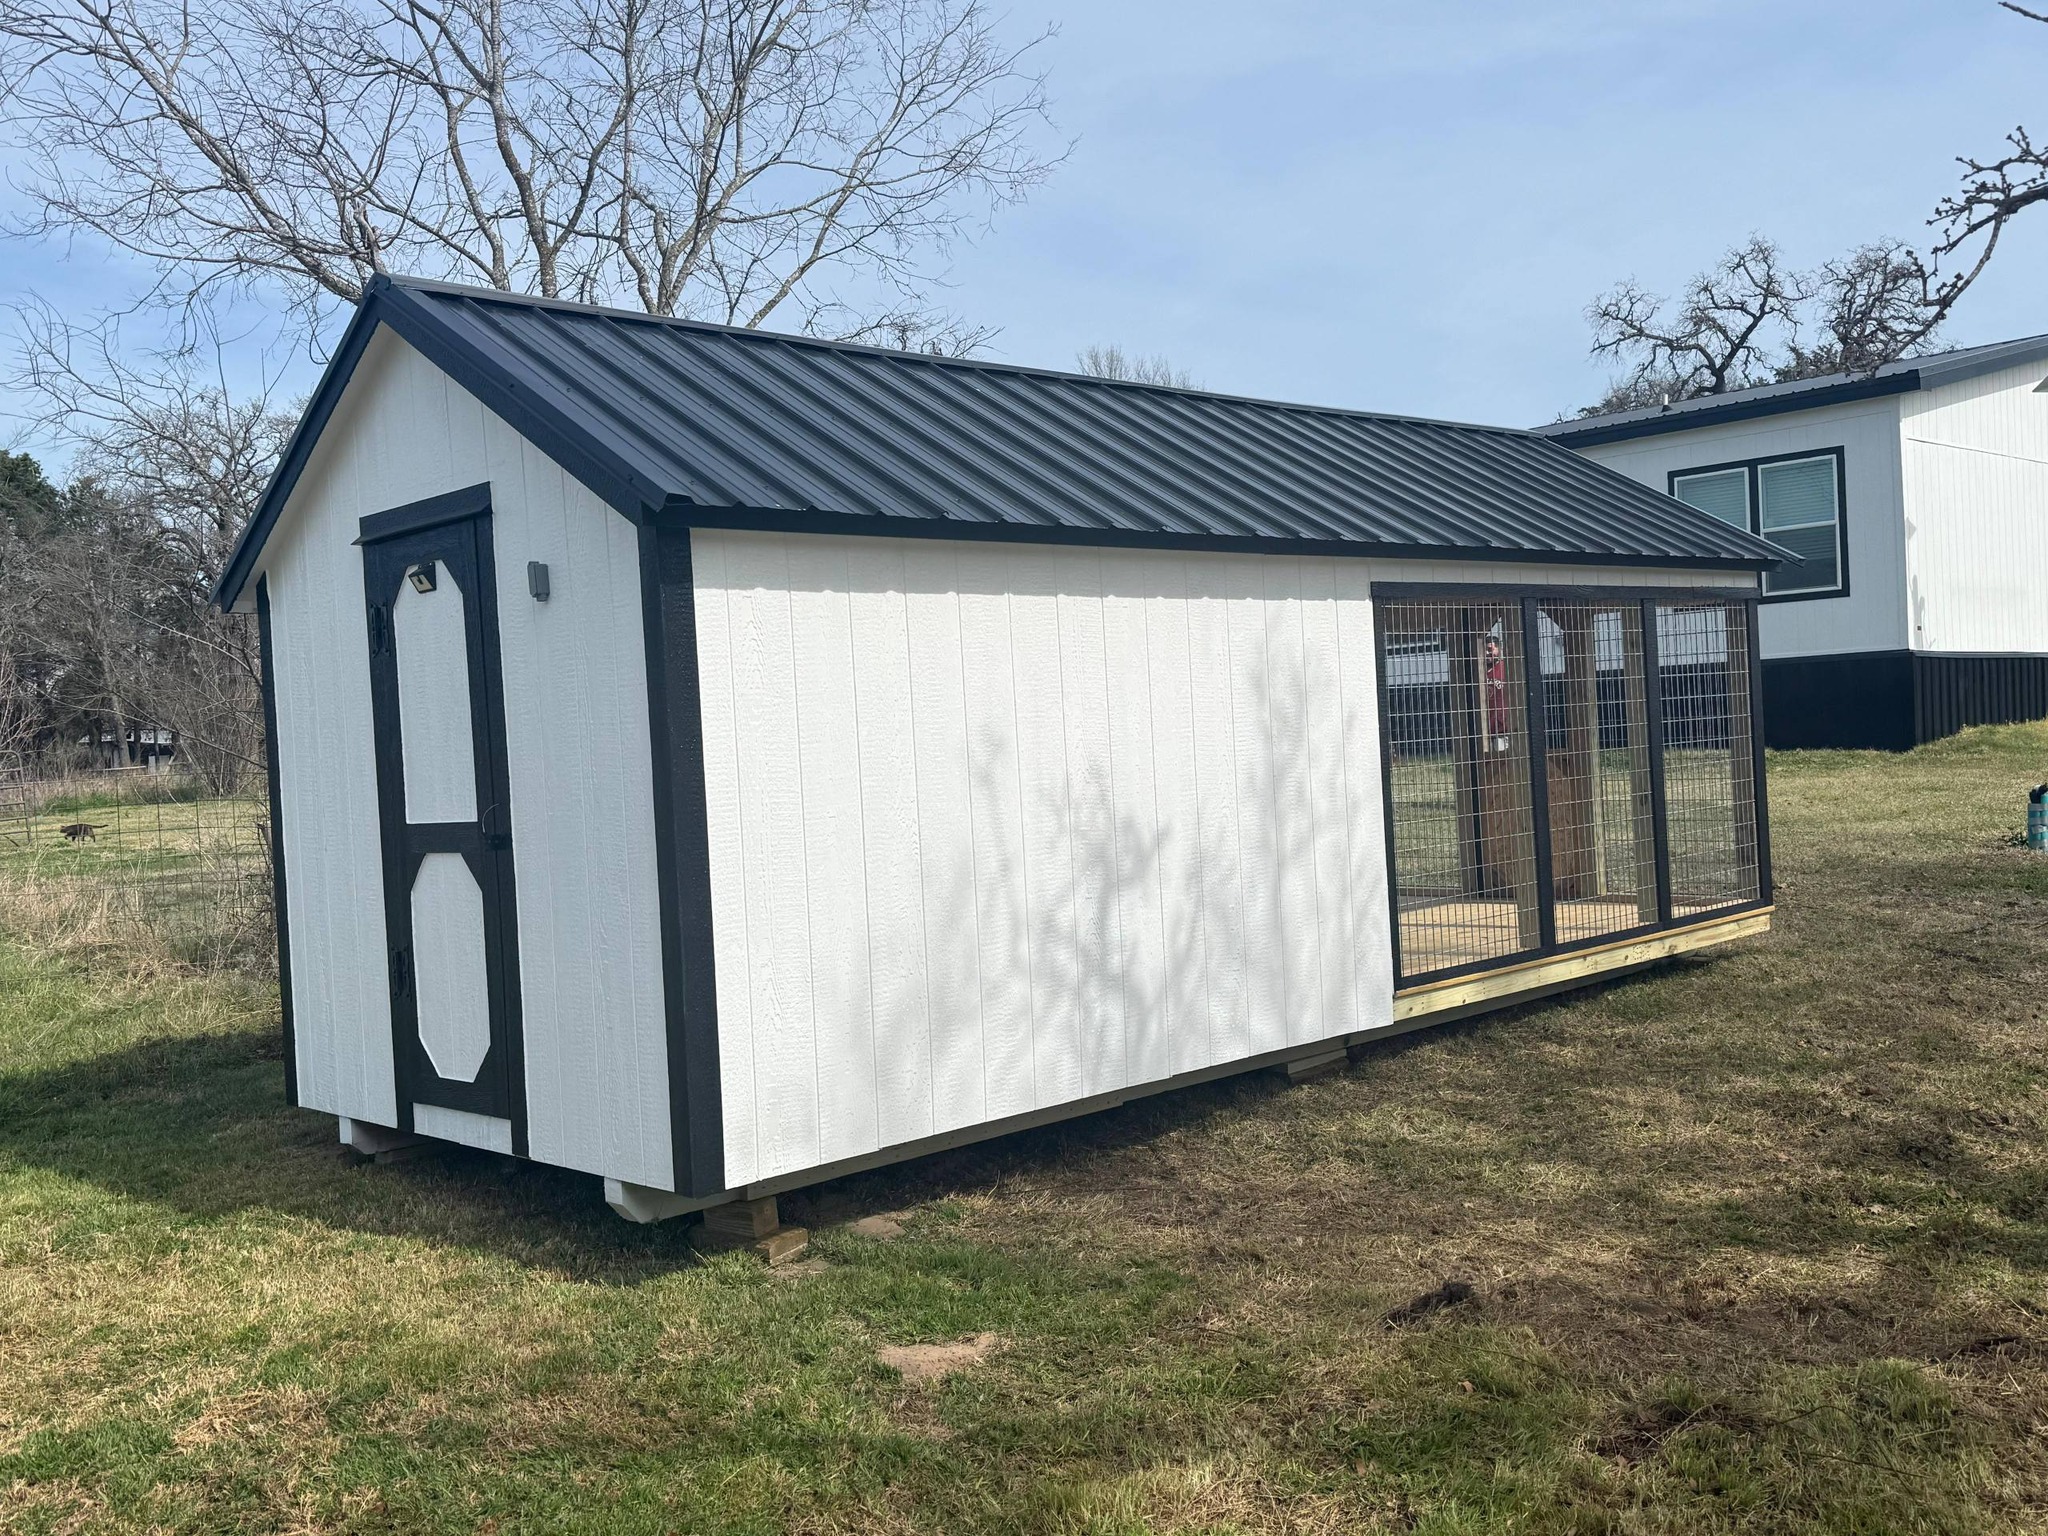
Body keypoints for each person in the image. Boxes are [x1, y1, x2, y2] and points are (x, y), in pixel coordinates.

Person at [1482, 636, 1510, 752]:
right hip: (1484, 728)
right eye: (1484, 650)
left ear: (1499, 650)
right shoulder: (1478, 671)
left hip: (1502, 727)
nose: (1486, 653)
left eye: (1490, 649)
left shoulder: (1506, 668)